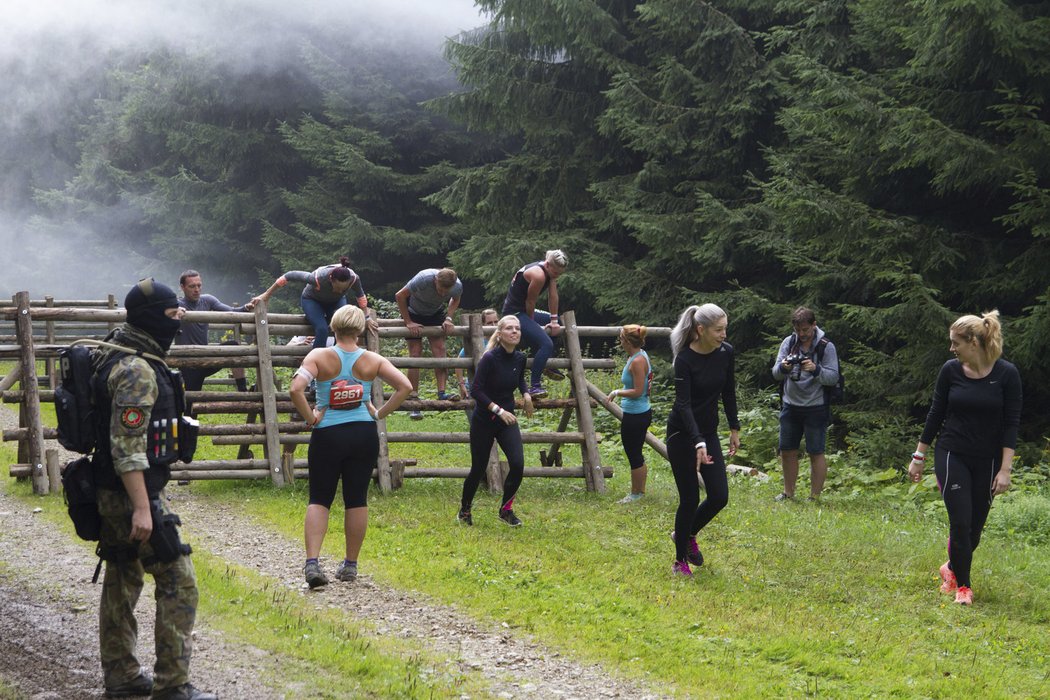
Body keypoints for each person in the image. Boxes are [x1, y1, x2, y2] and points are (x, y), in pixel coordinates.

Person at [91, 279, 214, 700]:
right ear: (150, 318)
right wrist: (143, 509)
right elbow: (127, 448)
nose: (178, 320)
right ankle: (173, 686)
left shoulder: (115, 349)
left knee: (122, 575)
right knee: (179, 580)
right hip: (131, 492)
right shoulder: (137, 371)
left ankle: (122, 675)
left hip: (107, 489)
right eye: (171, 313)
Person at [290, 305, 412, 588]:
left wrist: (311, 418)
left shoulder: (318, 356)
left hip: (327, 434)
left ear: (333, 326)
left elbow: (295, 389)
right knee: (356, 498)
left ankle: (312, 563)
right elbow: (404, 386)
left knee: (320, 497)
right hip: (363, 434)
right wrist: (378, 413)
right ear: (359, 330)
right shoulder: (372, 359)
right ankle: (350, 565)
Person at [907, 310, 1022, 606]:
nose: (951, 349)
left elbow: (1011, 424)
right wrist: (919, 455)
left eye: (955, 343)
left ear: (974, 342)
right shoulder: (950, 370)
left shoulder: (1007, 374)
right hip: (952, 453)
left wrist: (1005, 469)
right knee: (959, 522)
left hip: (989, 459)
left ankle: (951, 568)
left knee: (973, 531)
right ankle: (964, 587)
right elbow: (935, 413)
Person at [666, 304, 740, 576]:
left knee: (719, 496)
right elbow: (683, 405)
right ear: (701, 330)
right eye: (718, 330)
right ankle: (679, 561)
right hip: (682, 434)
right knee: (689, 498)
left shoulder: (726, 353)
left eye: (725, 328)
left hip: (707, 432)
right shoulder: (684, 359)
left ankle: (685, 534)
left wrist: (734, 427)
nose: (723, 334)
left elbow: (728, 392)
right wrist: (698, 441)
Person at [458, 315, 535, 527]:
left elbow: (519, 378)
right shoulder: (489, 358)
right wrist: (498, 410)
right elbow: (476, 390)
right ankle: (465, 509)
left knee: (518, 464)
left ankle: (505, 510)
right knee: (478, 468)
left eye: (517, 329)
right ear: (499, 335)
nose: (515, 332)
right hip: (485, 420)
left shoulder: (520, 358)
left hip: (506, 421)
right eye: (509, 328)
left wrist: (526, 394)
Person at [771, 307, 840, 501]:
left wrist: (815, 369)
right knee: (787, 450)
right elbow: (775, 373)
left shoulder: (826, 346)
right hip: (790, 405)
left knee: (816, 451)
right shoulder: (788, 343)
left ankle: (814, 497)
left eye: (805, 330)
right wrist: (784, 367)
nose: (801, 334)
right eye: (798, 330)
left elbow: (833, 377)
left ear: (814, 325)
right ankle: (788, 493)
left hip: (816, 406)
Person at [252, 256, 379, 348]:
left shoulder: (354, 279)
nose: (340, 291)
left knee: (343, 327)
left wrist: (367, 318)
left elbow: (360, 297)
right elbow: (288, 276)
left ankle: (337, 362)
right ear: (331, 280)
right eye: (338, 288)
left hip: (335, 302)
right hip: (312, 300)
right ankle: (317, 370)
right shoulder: (318, 277)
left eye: (344, 289)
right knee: (322, 329)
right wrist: (266, 296)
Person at [394, 267, 463, 419]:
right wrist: (408, 322)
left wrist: (449, 318)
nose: (443, 294)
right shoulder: (423, 278)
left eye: (447, 290)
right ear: (435, 280)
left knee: (440, 350)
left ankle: (442, 393)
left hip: (434, 313)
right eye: (441, 289)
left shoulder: (457, 285)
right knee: (415, 353)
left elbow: (456, 298)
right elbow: (400, 295)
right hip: (413, 312)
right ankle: (413, 398)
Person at [500, 249, 568, 398]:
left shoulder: (549, 272)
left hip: (525, 310)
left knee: (559, 322)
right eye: (555, 273)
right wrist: (532, 325)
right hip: (515, 313)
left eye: (559, 274)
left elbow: (553, 296)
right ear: (548, 265)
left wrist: (554, 321)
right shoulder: (538, 275)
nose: (556, 276)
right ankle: (535, 386)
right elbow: (530, 301)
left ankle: (547, 363)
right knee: (546, 344)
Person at [176, 269, 252, 395]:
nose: (196, 289)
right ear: (182, 287)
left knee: (234, 347)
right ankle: (189, 412)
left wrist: (246, 307)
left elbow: (231, 312)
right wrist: (174, 310)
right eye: (192, 286)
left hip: (206, 359)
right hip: (188, 363)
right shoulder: (177, 304)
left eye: (199, 285)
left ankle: (243, 391)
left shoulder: (207, 300)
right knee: (191, 402)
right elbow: (161, 309)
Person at [606, 324, 653, 504]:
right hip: (636, 413)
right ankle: (639, 491)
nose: (619, 341)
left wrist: (617, 392)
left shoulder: (637, 361)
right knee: (635, 452)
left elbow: (638, 391)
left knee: (634, 453)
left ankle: (636, 493)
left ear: (626, 341)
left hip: (637, 414)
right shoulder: (638, 355)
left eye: (620, 338)